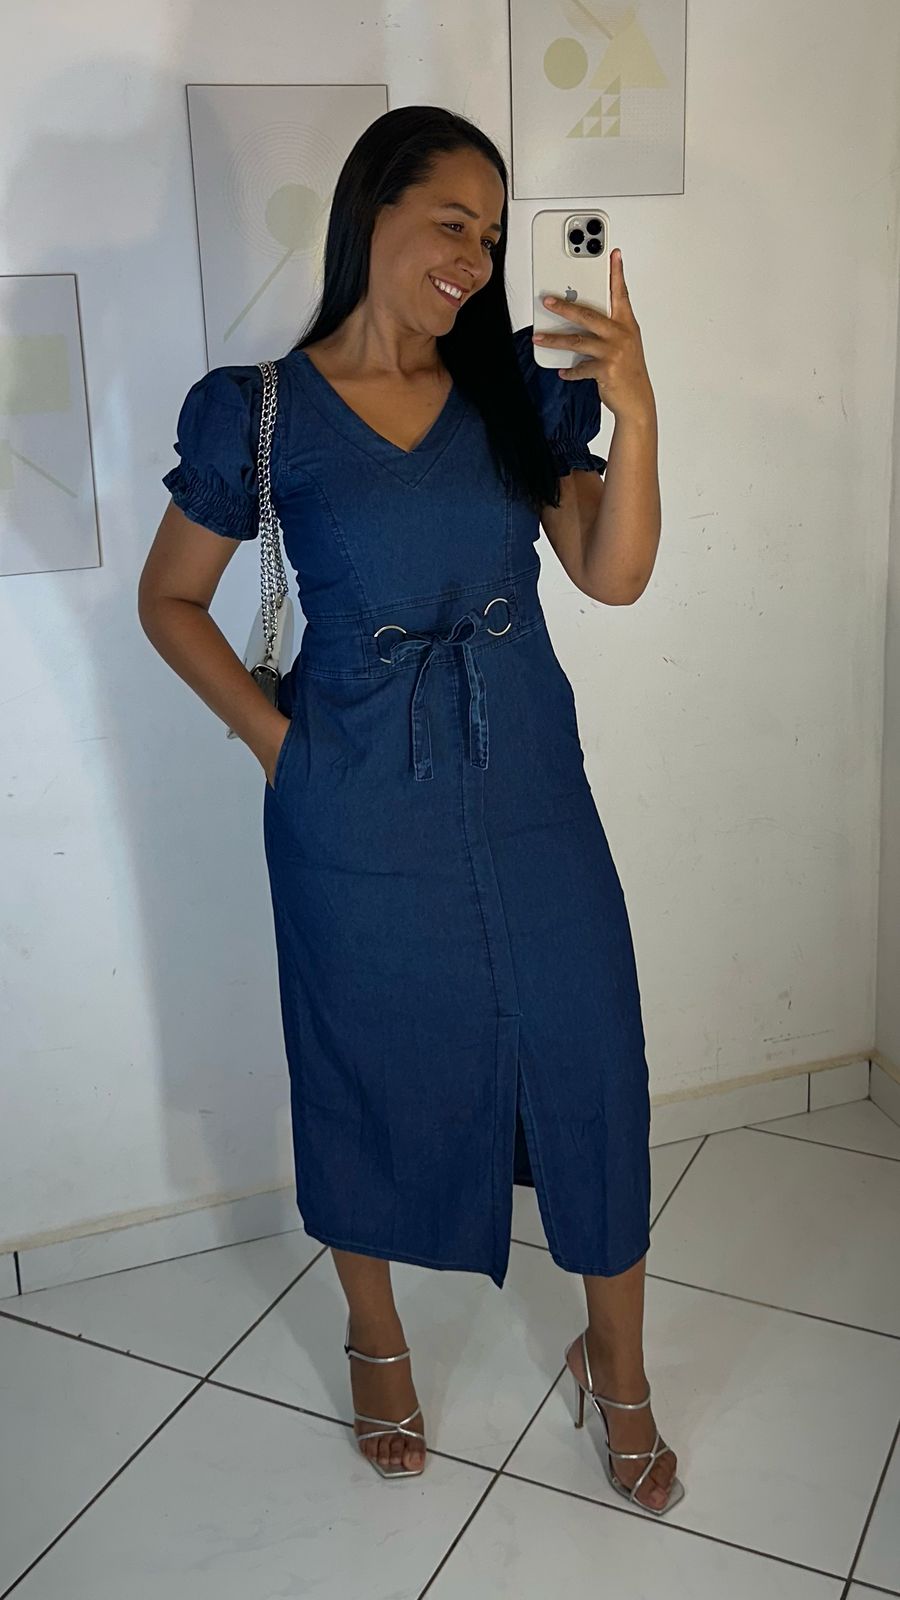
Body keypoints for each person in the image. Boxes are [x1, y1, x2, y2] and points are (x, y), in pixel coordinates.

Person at [138, 104, 680, 1512]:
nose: (475, 258)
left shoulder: (515, 389)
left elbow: (613, 574)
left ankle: (617, 1366)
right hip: (356, 804)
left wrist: (636, 408)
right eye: (452, 222)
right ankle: (375, 1338)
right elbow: (171, 598)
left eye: (492, 235)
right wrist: (281, 747)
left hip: (530, 786)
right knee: (365, 1065)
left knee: (591, 1059)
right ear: (370, 210)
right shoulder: (259, 412)